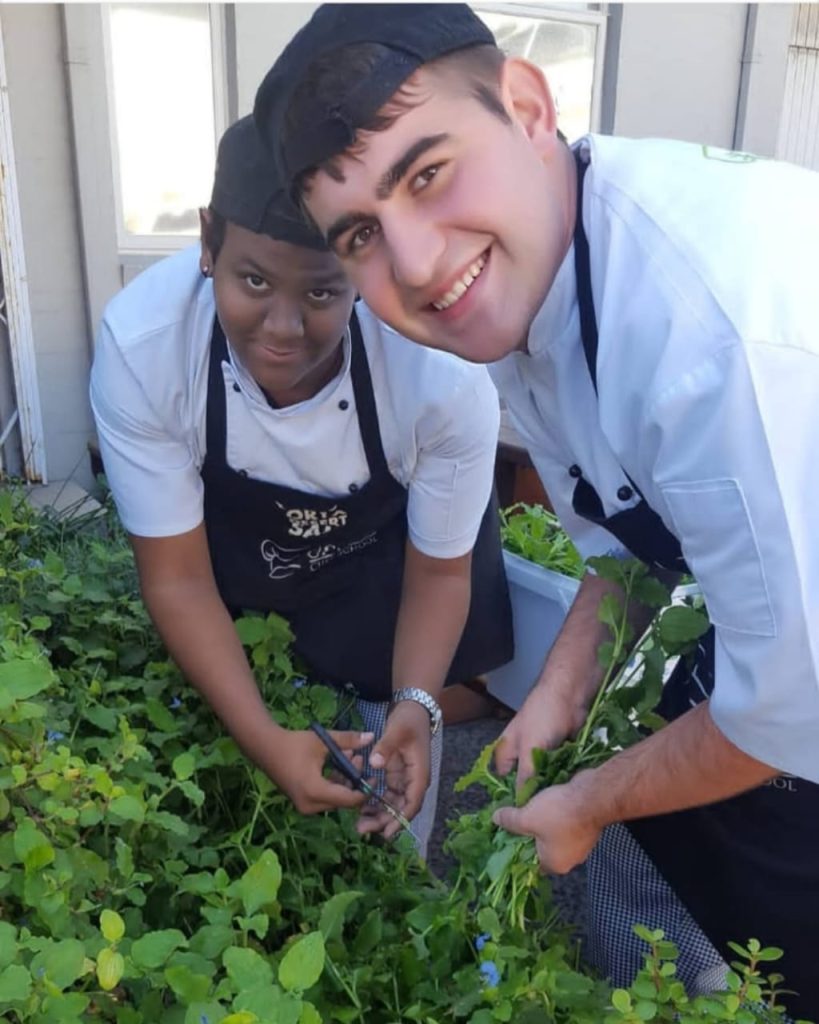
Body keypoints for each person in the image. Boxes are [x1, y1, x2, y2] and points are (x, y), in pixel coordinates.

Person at [253, 5, 819, 1016]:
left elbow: (783, 713)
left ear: (526, 105)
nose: (419, 265)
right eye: (361, 236)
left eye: (427, 173)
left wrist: (590, 800)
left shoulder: (714, 338)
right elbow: (623, 546)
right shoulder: (534, 280)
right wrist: (561, 685)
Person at [89, 114, 513, 857]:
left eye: (322, 294)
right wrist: (263, 740)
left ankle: (441, 722)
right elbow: (180, 580)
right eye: (252, 280)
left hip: (392, 551)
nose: (282, 328)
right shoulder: (144, 350)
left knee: (397, 724)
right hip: (255, 555)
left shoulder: (439, 378)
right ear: (206, 242)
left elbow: (441, 571)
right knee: (260, 704)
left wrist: (416, 704)